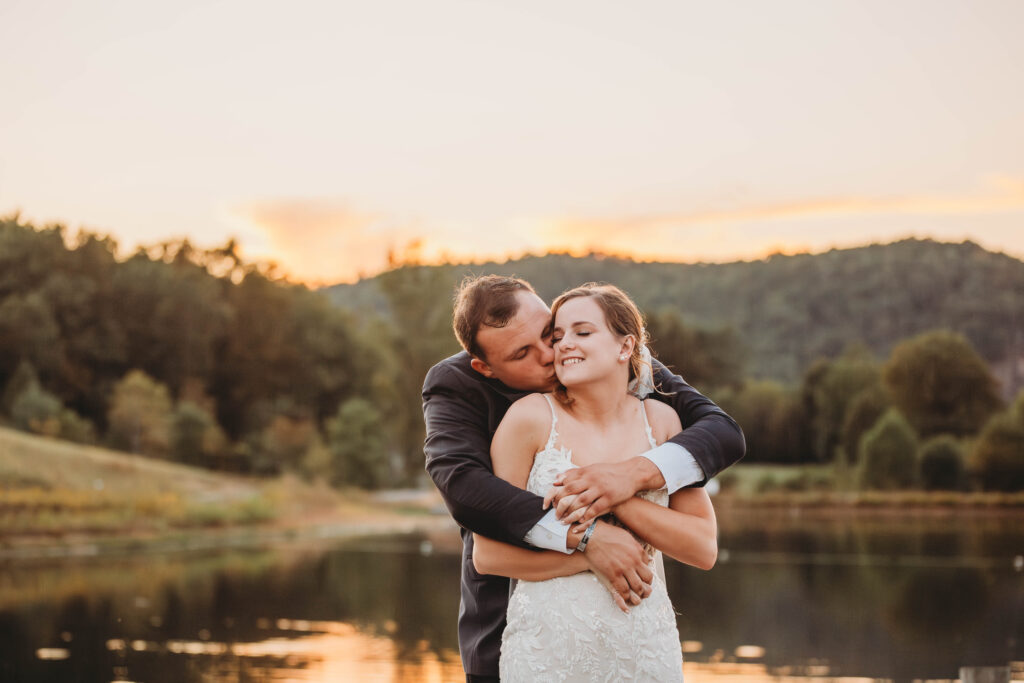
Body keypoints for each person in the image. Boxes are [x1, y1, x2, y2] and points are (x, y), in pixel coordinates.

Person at [423, 275, 744, 682]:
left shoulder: (625, 367)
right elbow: (466, 490)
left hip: (639, 643)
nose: (551, 353)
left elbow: (723, 432)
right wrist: (588, 541)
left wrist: (626, 481)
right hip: (524, 635)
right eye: (523, 352)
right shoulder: (470, 391)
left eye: (549, 334)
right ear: (486, 367)